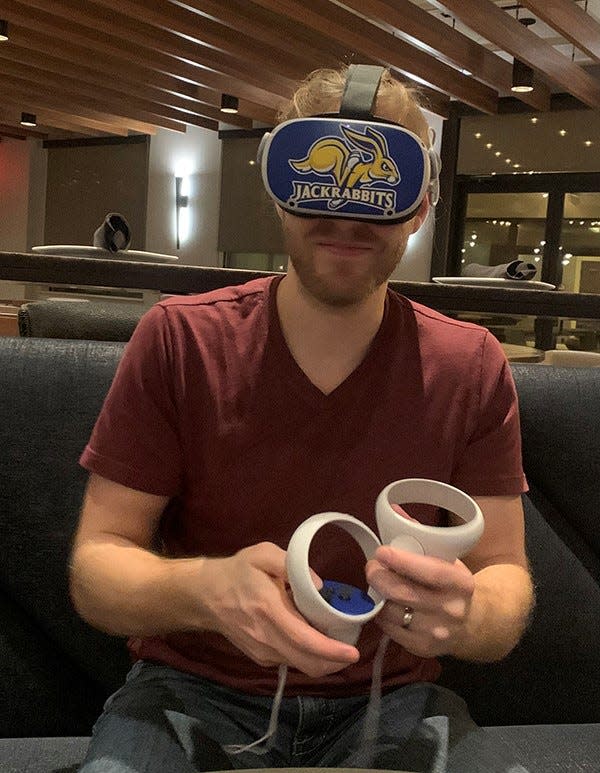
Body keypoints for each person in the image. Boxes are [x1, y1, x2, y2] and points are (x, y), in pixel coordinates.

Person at [70, 64, 534, 773]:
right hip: (191, 691)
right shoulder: (180, 339)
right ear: (280, 196)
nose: (346, 220)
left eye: (376, 195)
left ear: (419, 207)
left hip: (391, 700)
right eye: (319, 190)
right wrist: (206, 590)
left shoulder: (470, 364)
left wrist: (467, 617)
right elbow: (96, 569)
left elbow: (504, 573)